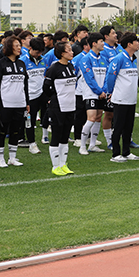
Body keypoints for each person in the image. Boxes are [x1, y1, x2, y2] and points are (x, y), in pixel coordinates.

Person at [104, 32, 139, 164]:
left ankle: (126, 152)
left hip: (131, 99)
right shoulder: (119, 58)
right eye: (136, 41)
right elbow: (111, 76)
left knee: (129, 127)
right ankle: (116, 153)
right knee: (119, 127)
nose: (138, 44)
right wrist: (110, 92)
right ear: (129, 44)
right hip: (120, 99)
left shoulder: (134, 58)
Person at [0, 35, 29, 168]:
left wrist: (27, 103)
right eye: (16, 45)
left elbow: (25, 85)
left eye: (20, 45)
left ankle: (12, 158)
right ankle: (0, 158)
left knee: (16, 131)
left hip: (20, 103)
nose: (19, 48)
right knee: (1, 130)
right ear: (9, 47)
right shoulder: (0, 63)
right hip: (5, 104)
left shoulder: (21, 64)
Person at [43, 41, 79, 176]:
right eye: (69, 50)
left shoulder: (70, 66)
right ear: (62, 53)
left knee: (65, 136)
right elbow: (46, 87)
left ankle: (64, 164)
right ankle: (55, 166)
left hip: (70, 106)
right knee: (56, 136)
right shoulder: (54, 69)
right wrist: (52, 99)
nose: (72, 52)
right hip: (58, 107)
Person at [76, 33, 109, 155]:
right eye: (101, 41)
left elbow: (107, 77)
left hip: (102, 93)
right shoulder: (85, 59)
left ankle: (93, 145)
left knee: (98, 118)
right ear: (94, 43)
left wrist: (104, 90)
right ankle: (82, 146)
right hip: (91, 93)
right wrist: (99, 91)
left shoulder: (103, 59)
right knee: (91, 118)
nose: (103, 43)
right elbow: (89, 78)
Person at [20, 38, 47, 154]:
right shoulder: (22, 61)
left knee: (48, 116)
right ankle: (32, 144)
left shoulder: (43, 59)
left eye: (41, 52)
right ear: (30, 48)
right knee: (30, 121)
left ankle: (45, 137)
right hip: (30, 96)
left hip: (43, 94)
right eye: (37, 52)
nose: (39, 54)